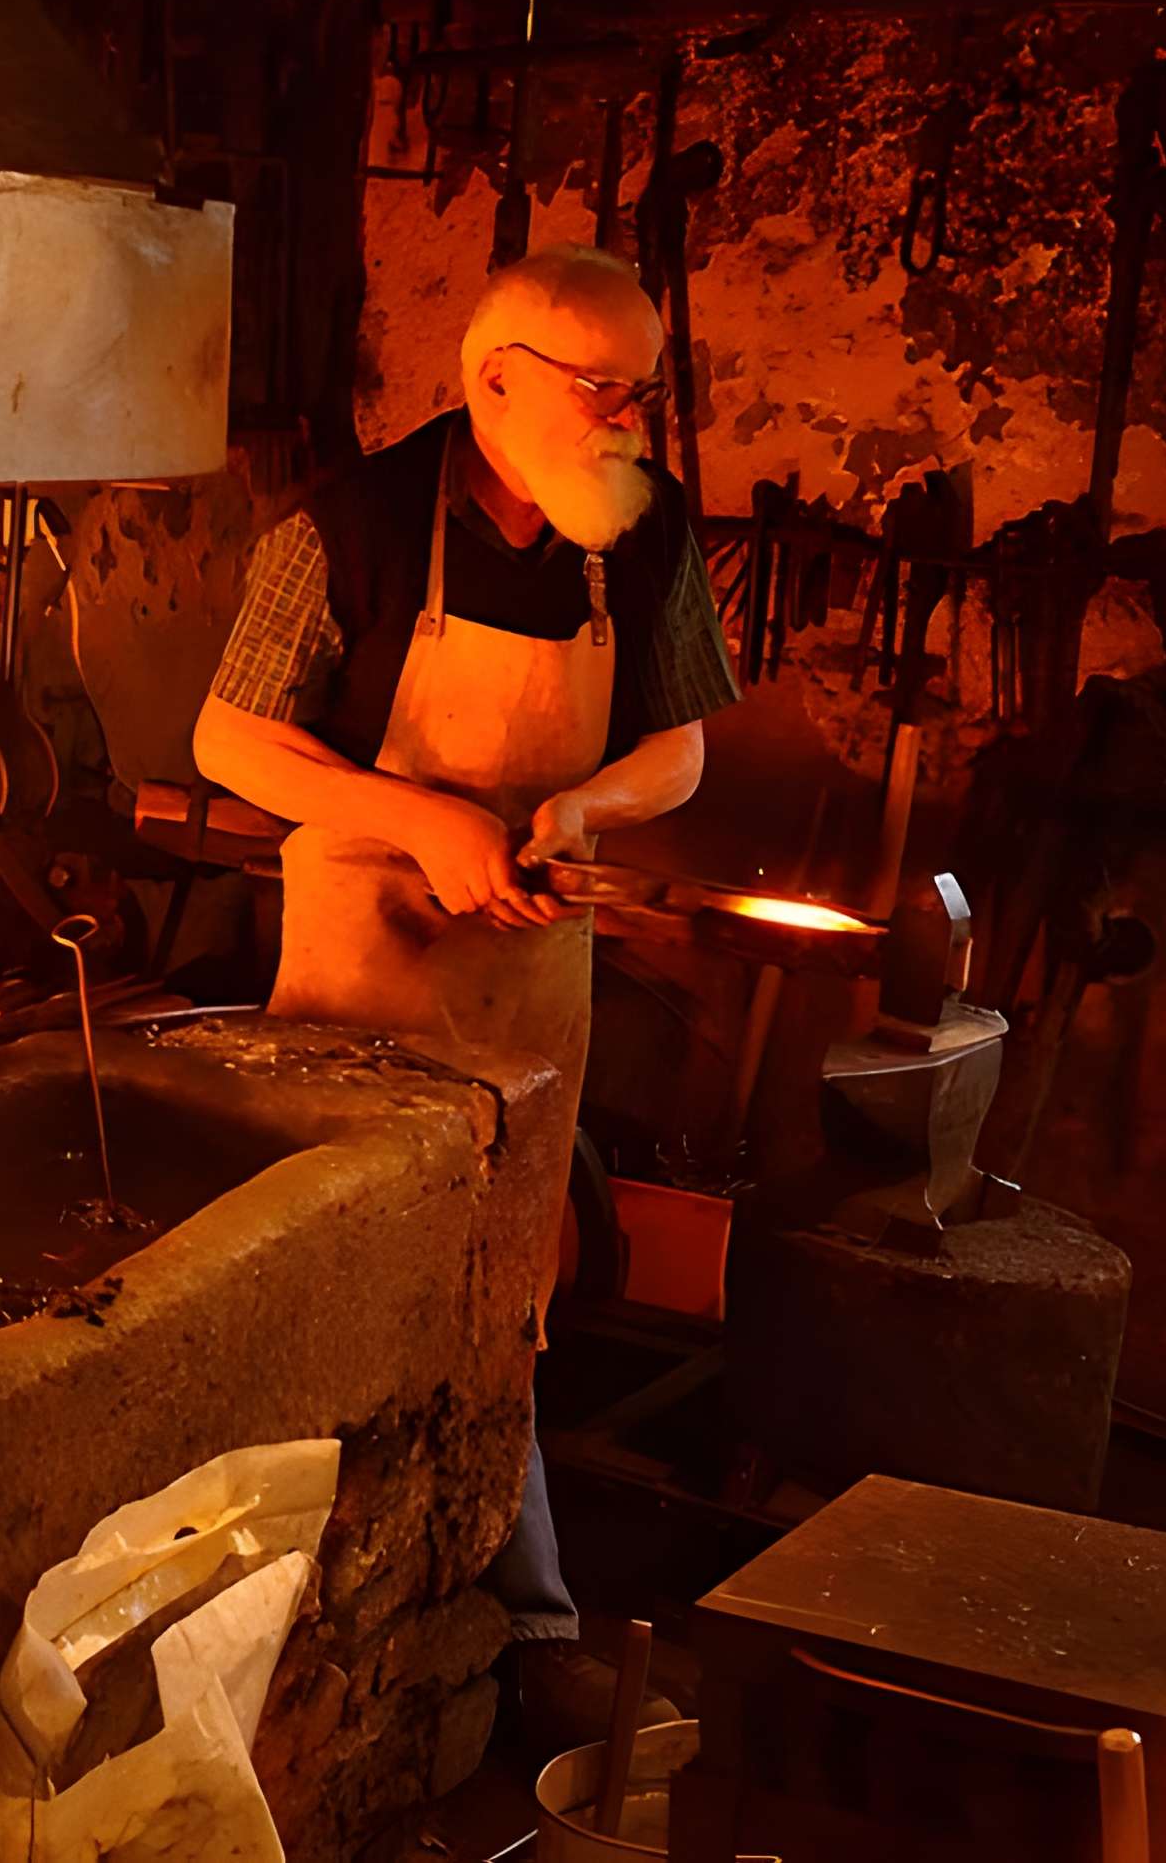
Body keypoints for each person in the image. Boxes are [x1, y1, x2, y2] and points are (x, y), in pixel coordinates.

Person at [191, 244, 737, 1746]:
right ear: (494, 382)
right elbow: (233, 741)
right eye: (601, 387)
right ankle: (288, 1618)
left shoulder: (642, 528)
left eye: (642, 386)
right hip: (364, 975)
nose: (631, 416)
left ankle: (521, 1622)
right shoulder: (347, 527)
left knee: (510, 1306)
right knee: (340, 1293)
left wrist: (585, 812)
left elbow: (680, 750)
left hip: (528, 980)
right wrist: (420, 815)